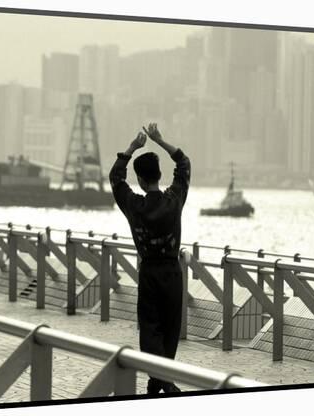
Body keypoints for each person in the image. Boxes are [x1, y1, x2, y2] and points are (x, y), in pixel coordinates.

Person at [109, 123, 191, 395]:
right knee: (170, 330)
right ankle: (161, 382)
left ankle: (161, 383)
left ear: (141, 181)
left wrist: (132, 148)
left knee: (150, 330)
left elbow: (115, 178)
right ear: (158, 176)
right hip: (172, 272)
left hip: (149, 274)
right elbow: (184, 164)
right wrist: (160, 140)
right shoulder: (173, 200)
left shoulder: (135, 206)